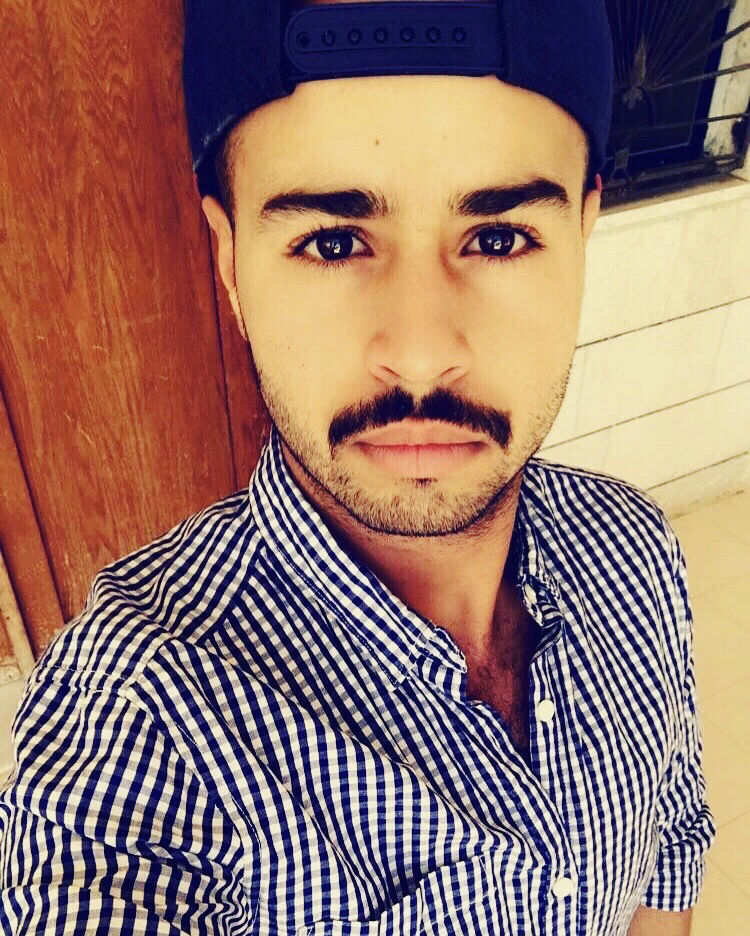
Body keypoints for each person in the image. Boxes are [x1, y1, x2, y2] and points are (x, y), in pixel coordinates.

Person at [0, 2, 715, 934]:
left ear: (584, 234)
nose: (420, 357)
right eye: (332, 243)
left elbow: (671, 849)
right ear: (231, 264)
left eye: (499, 237)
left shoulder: (637, 553)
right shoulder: (142, 723)